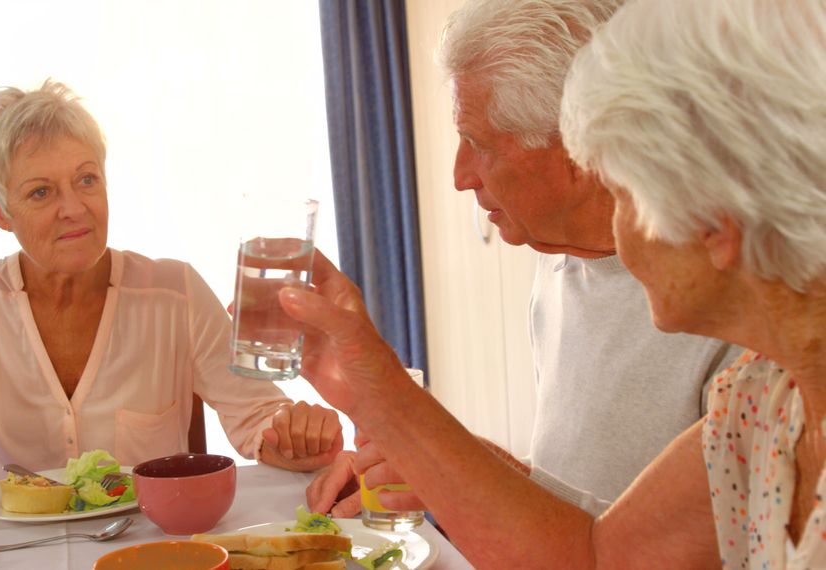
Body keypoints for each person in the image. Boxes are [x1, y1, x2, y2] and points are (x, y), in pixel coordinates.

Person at [288, 0, 826, 565]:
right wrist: (377, 390)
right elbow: (595, 557)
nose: (613, 224)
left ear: (721, 220)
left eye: (623, 189)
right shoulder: (760, 400)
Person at [0, 80, 343, 507]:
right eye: (41, 192)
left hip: (153, 550)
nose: (74, 208)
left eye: (86, 180)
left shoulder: (176, 292)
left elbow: (258, 421)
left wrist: (297, 431)